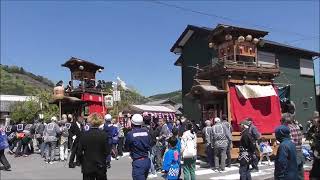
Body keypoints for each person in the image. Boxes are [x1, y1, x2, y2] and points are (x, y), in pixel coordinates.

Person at [77, 113, 111, 180]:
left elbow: (79, 152)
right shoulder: (104, 135)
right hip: (100, 165)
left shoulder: (84, 135)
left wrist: (81, 161)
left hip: (87, 165)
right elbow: (107, 151)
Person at [125, 114, 151, 180]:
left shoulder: (130, 134)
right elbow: (150, 144)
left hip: (138, 161)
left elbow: (126, 147)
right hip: (147, 160)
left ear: (132, 123)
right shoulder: (147, 132)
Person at [281, 115, 304, 179]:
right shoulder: (296, 127)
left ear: (284, 121)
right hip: (299, 150)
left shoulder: (287, 129)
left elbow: (290, 142)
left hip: (292, 153)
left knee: (292, 173)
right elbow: (300, 138)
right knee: (300, 172)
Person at [307, 115, 320, 180]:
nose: (315, 123)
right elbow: (308, 134)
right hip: (315, 149)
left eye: (316, 122)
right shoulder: (313, 127)